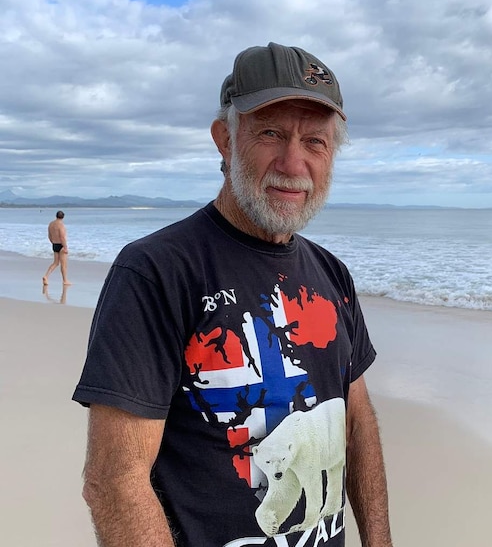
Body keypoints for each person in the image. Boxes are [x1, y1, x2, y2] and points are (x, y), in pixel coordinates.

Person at [73, 43, 393, 547]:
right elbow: (115, 481)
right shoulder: (157, 271)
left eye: (316, 141)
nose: (294, 162)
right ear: (225, 139)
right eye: (271, 133)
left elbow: (355, 424)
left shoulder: (333, 274)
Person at [42, 210, 70, 285]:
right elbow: (62, 237)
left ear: (56, 216)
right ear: (63, 217)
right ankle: (65, 280)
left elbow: (49, 236)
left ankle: (46, 276)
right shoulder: (61, 225)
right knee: (63, 264)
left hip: (54, 244)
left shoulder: (51, 224)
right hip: (61, 245)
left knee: (55, 263)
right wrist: (65, 247)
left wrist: (53, 242)